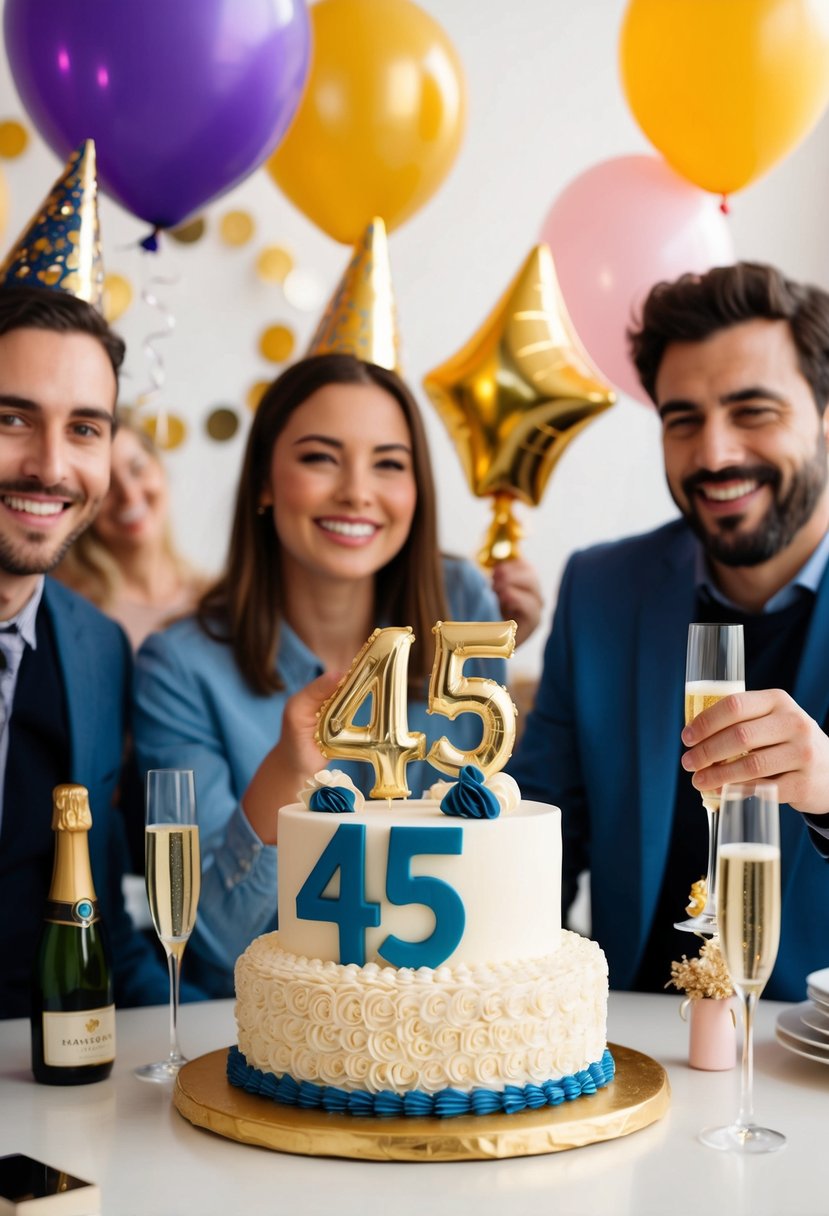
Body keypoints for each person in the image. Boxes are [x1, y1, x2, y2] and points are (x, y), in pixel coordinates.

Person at [133, 352, 542, 996]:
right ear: (265, 481)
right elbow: (209, 941)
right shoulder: (179, 667)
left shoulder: (463, 607)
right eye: (321, 457)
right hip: (268, 1034)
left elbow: (497, 862)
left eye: (388, 463)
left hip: (446, 1013)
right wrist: (286, 769)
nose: (357, 491)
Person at [511, 262, 829, 1002]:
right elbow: (540, 839)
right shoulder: (600, 590)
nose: (714, 453)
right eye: (682, 419)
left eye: (752, 411)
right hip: (631, 1046)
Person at [0, 285, 176, 1017]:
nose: (49, 467)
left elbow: (95, 916)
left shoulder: (99, 649)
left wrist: (203, 1038)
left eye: (84, 429)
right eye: (12, 419)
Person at [53, 418, 205, 649]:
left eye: (137, 469)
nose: (129, 495)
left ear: (161, 469)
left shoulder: (215, 596)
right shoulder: (72, 609)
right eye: (107, 483)